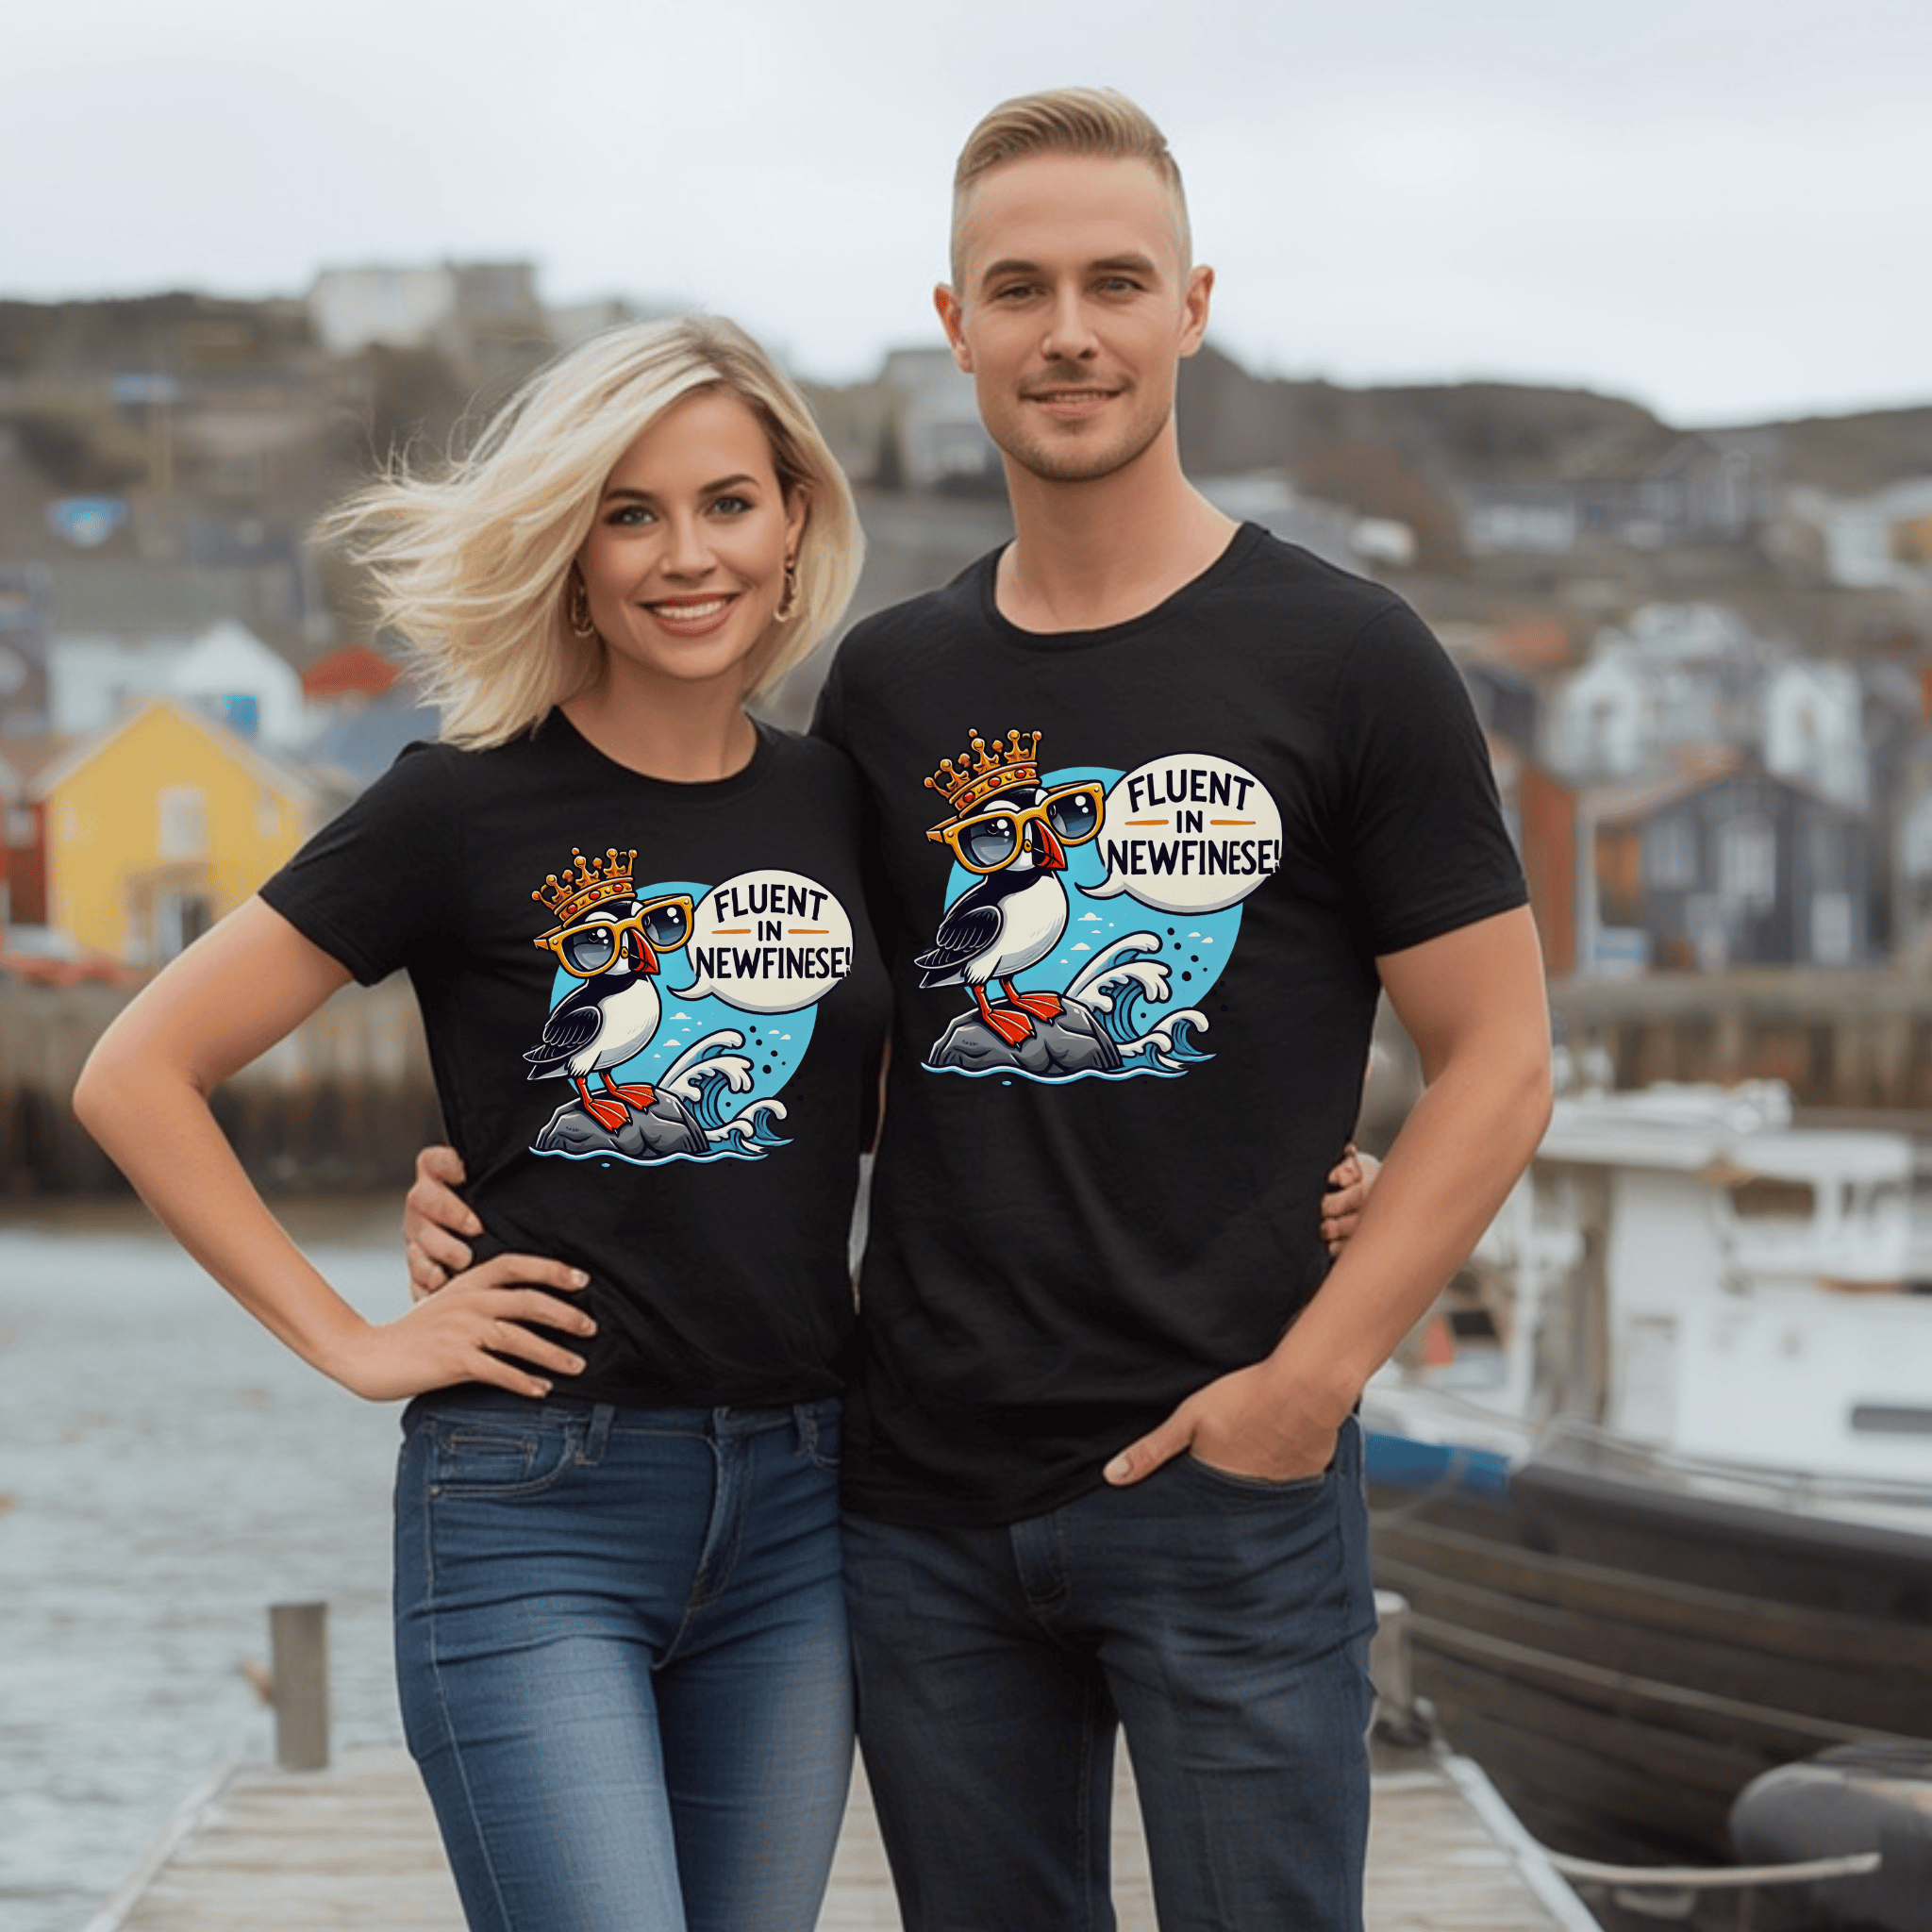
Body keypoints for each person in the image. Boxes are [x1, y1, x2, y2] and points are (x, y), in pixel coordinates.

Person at [408, 86, 1553, 1932]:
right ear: (954, 327)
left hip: (1230, 1472)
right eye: (1018, 289)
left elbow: (1500, 1058)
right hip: (919, 1500)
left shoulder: (1349, 655)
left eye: (1116, 281)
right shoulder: (890, 679)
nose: (1070, 331)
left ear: (1193, 302)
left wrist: (1314, 1374)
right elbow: (820, 1043)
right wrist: (509, 1174)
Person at [73, 315, 890, 1932]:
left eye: (727, 503)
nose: (685, 556)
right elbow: (133, 1073)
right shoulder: (457, 803)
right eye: (628, 512)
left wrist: (1298, 1176)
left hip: (804, 1500)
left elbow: (922, 1096)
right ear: (570, 549)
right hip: (536, 1504)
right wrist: (355, 1340)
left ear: (794, 520)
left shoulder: (841, 803)